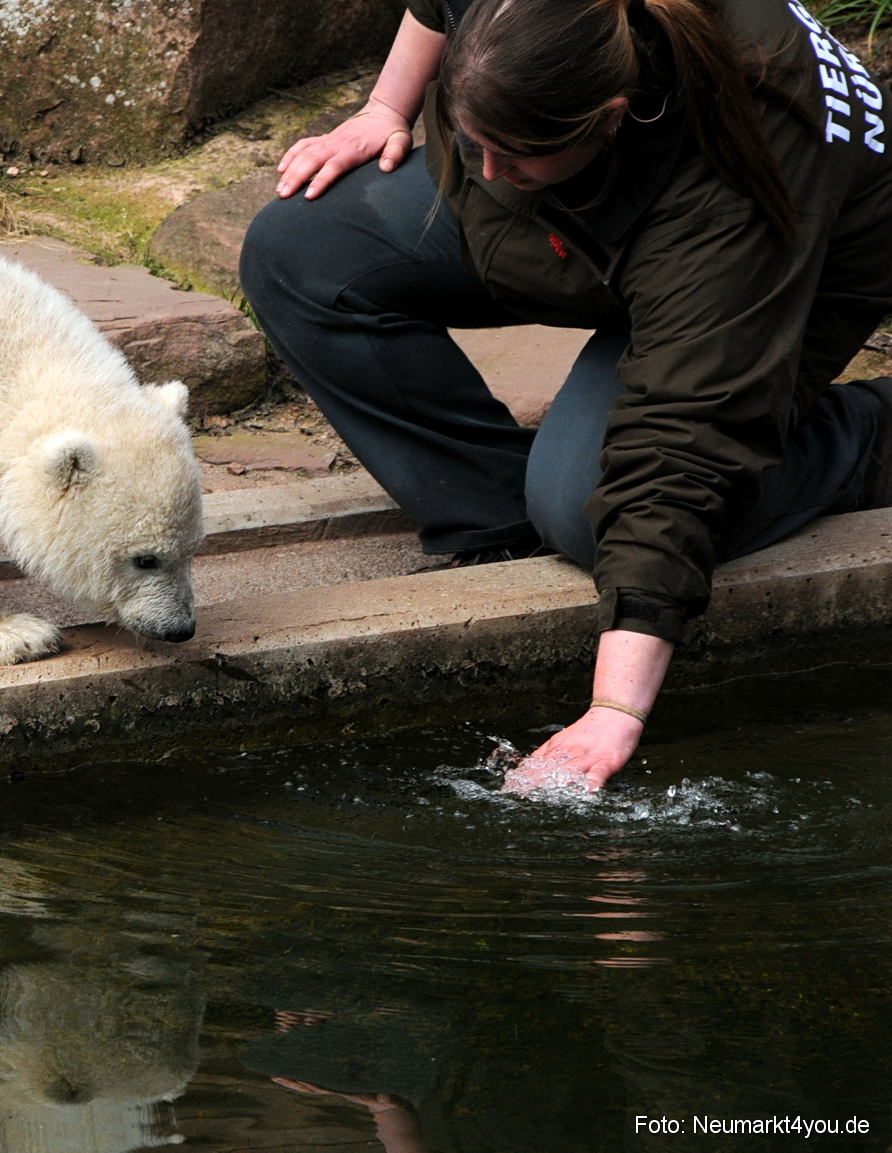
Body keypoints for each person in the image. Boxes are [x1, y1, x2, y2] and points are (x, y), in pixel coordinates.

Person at [239, 0, 892, 791]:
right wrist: (386, 108)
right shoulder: (522, 87)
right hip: (571, 210)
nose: (482, 171)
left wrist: (614, 709)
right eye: (470, 139)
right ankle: (498, 523)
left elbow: (676, 445)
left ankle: (855, 437)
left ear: (610, 117)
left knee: (592, 501)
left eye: (508, 153)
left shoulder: (732, 181)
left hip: (776, 269)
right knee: (299, 248)